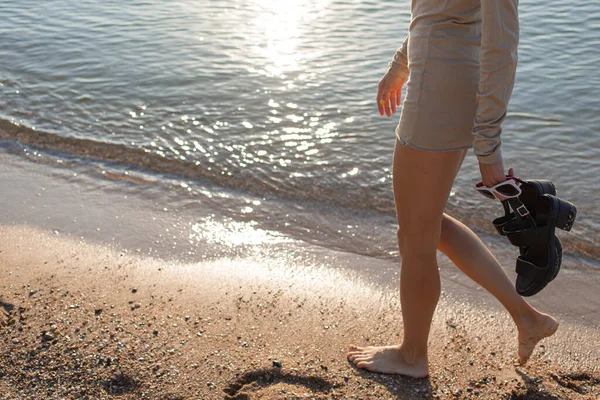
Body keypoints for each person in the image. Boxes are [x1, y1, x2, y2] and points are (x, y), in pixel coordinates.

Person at [346, 0, 558, 377]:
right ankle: (527, 319)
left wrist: (488, 143)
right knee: (426, 223)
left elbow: (501, 43)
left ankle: (412, 356)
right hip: (436, 82)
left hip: (439, 94)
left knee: (416, 234)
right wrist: (400, 65)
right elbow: (434, 13)